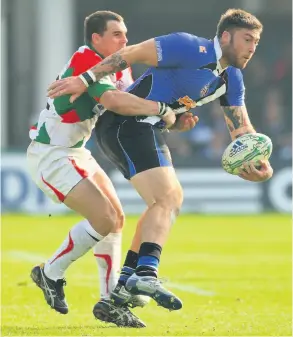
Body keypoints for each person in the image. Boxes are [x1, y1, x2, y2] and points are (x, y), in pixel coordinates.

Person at [48, 7, 274, 320]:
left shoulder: (232, 78)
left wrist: (260, 161)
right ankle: (146, 274)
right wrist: (86, 80)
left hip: (149, 127)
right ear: (225, 36)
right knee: (167, 198)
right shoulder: (187, 46)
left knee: (164, 202)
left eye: (257, 42)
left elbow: (241, 128)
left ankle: (124, 286)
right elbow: (128, 54)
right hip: (125, 123)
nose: (252, 47)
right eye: (247, 39)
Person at [28, 10, 179, 328]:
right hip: (51, 154)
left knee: (116, 220)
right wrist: (162, 110)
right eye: (116, 35)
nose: (125, 40)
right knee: (105, 219)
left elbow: (131, 108)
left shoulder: (120, 67)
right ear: (96, 39)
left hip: (75, 151)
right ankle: (50, 272)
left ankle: (109, 301)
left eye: (125, 33)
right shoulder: (86, 59)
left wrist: (175, 114)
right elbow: (114, 102)